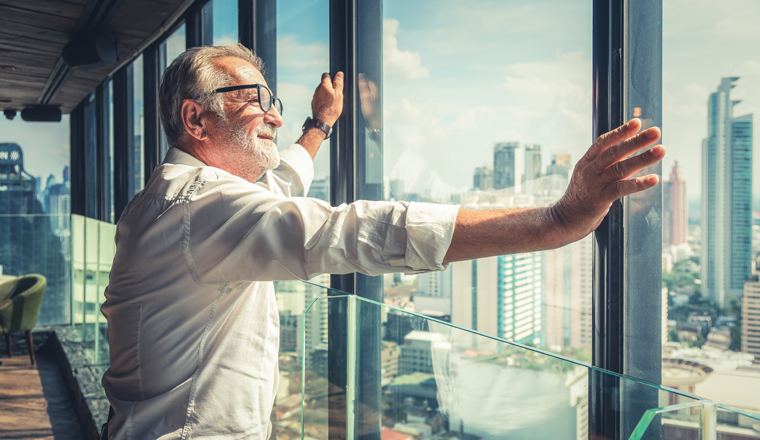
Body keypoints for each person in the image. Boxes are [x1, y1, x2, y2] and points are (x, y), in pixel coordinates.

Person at [101, 44, 664, 439]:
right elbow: (347, 229)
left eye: (273, 98)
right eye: (254, 98)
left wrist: (319, 125)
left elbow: (282, 182)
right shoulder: (198, 207)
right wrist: (558, 220)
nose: (272, 112)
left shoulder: (177, 200)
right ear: (195, 119)